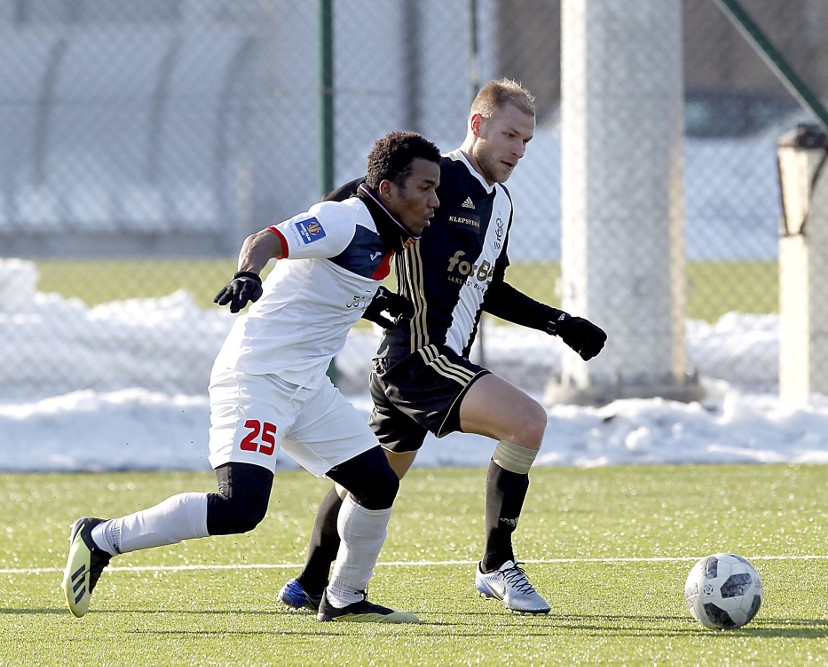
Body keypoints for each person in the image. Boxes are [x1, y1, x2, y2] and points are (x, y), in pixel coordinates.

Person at [61, 130, 442, 624]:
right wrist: (249, 273)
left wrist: (373, 302)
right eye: (426, 188)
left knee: (376, 484)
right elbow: (266, 240)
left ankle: (345, 598)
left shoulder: (384, 233)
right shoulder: (343, 221)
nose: (434, 200)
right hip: (257, 379)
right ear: (388, 189)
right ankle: (99, 537)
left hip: (306, 389)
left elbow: (321, 288)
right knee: (238, 509)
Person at [278, 79, 607, 615]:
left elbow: (486, 286)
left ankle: (311, 581)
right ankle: (496, 565)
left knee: (373, 475)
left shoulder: (500, 201)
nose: (518, 150)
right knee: (527, 422)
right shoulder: (436, 176)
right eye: (508, 135)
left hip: (429, 361)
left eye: (526, 140)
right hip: (417, 356)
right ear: (477, 125)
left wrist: (559, 322)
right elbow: (346, 208)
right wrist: (362, 296)